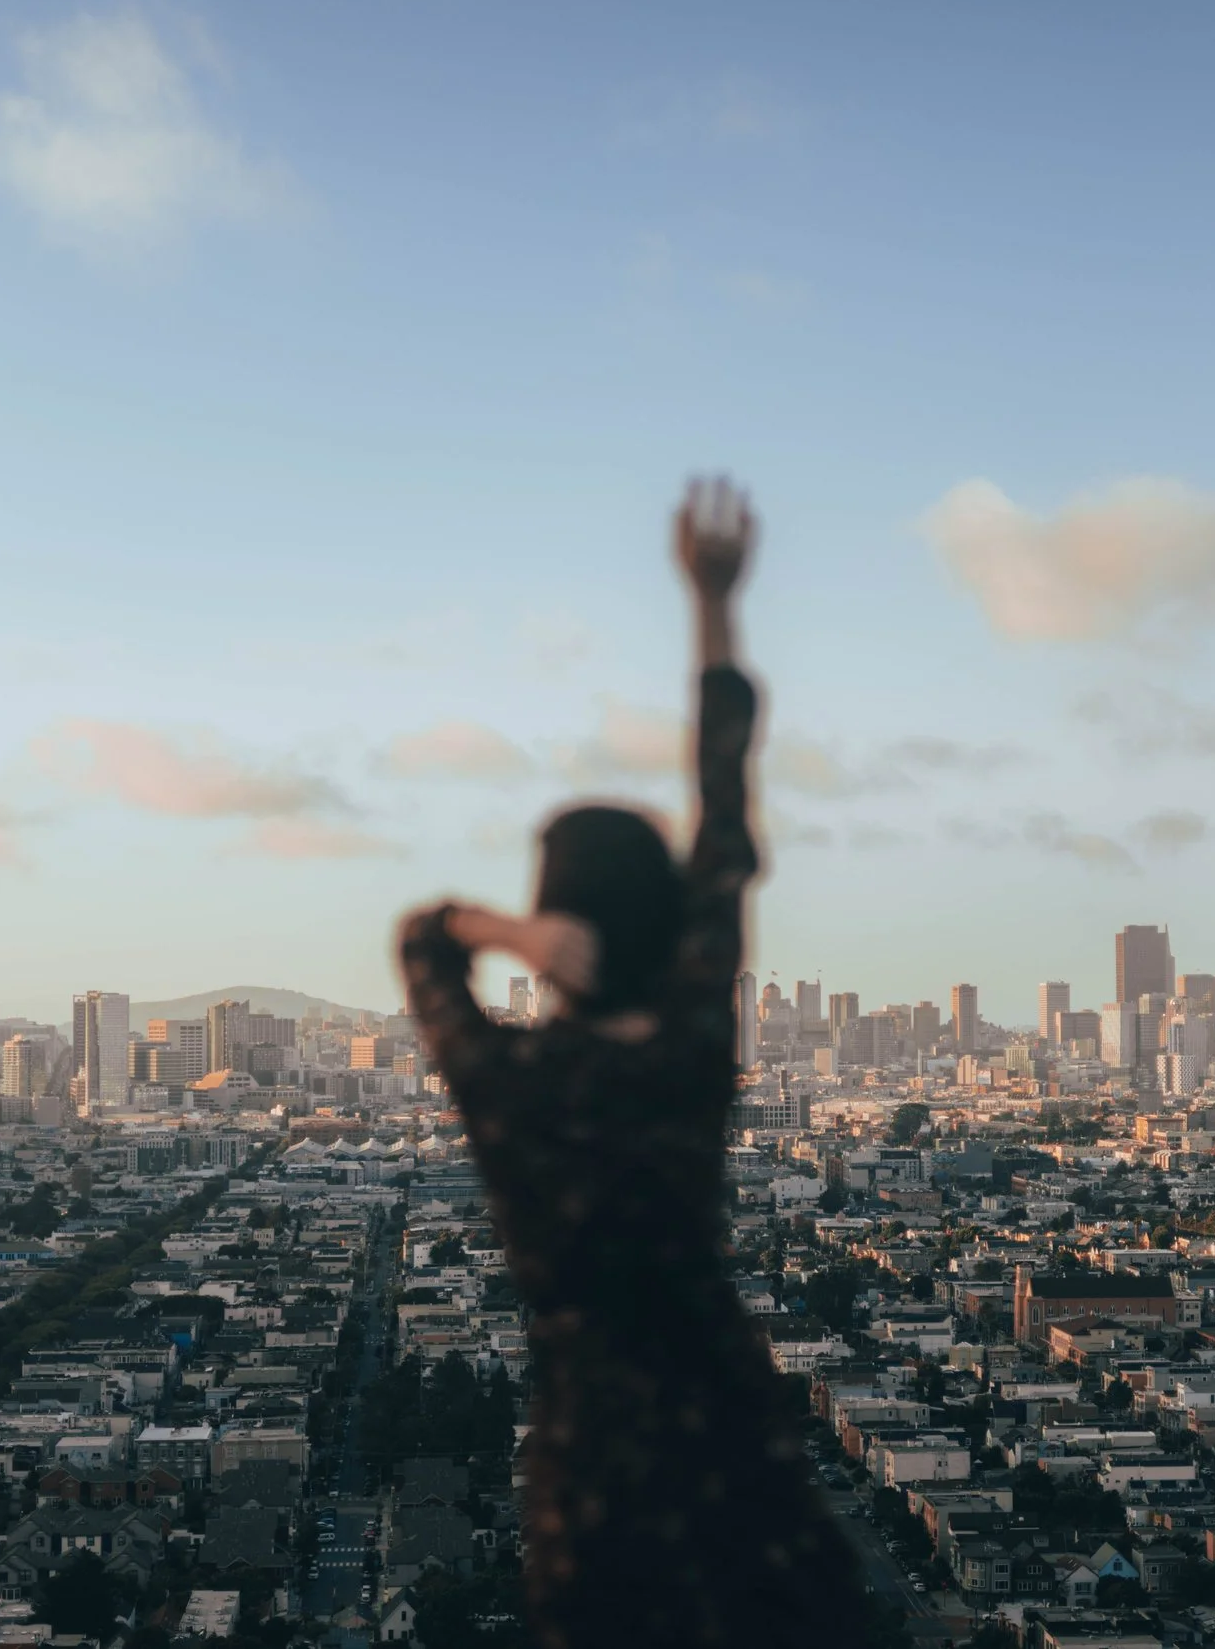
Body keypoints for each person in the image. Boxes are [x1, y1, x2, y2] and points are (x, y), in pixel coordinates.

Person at [396, 478, 867, 1648]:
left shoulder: (514, 1082)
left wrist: (499, 932)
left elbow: (420, 941)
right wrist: (712, 601)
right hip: (725, 1413)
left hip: (590, 1444)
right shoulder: (693, 1034)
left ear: (558, 931)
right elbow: (722, 802)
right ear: (664, 922)